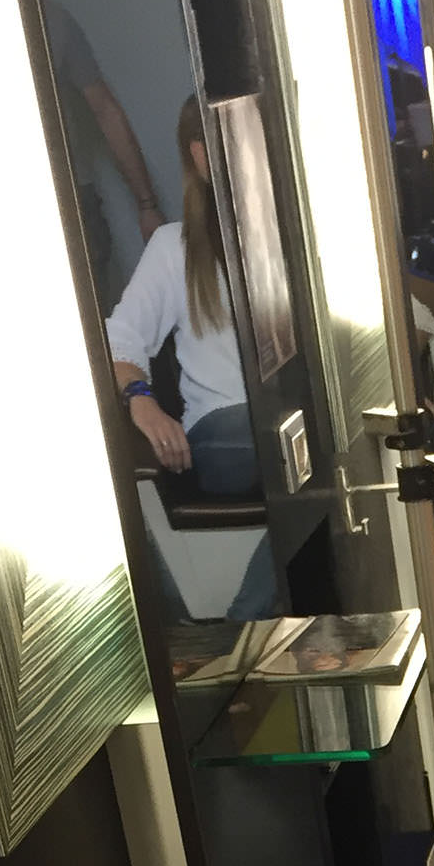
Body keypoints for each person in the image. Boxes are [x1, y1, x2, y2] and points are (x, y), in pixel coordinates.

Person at [106, 96, 276, 622]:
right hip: (221, 433)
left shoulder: (296, 235)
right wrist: (142, 402)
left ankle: (242, 626)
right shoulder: (172, 246)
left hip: (290, 426)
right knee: (309, 441)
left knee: (316, 449)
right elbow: (118, 341)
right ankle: (242, 627)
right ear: (200, 156)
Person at [42, 0, 165, 305]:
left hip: (74, 204)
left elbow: (105, 110)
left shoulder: (52, 20)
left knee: (93, 316)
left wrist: (147, 205)